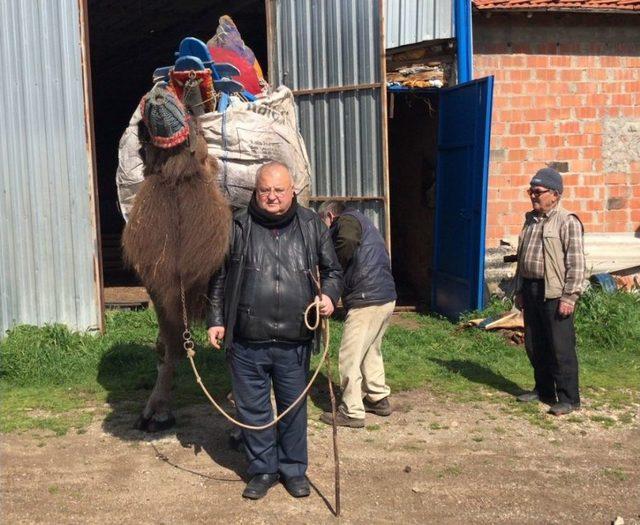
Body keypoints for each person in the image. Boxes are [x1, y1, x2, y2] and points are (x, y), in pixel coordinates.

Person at [206, 161, 343, 500]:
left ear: (292, 191)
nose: (271, 197)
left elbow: (334, 271)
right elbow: (218, 278)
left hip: (295, 340)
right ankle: (263, 470)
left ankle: (294, 469)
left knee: (292, 409)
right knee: (254, 411)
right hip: (247, 340)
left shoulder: (312, 225)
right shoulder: (237, 225)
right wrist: (215, 319)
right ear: (256, 191)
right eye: (264, 190)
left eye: (278, 190)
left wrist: (329, 296)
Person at [316, 201, 397, 428]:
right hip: (385, 295)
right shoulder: (366, 222)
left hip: (366, 298)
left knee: (349, 354)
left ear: (330, 216)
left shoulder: (347, 220)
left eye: (324, 225)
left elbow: (347, 242)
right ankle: (377, 397)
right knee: (371, 349)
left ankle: (351, 411)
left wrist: (334, 269)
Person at [514, 167, 586, 416]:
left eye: (538, 192)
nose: (533, 196)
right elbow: (522, 259)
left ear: (555, 194)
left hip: (555, 292)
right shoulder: (530, 220)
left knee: (560, 347)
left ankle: (569, 398)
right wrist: (520, 289)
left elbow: (576, 263)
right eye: (530, 191)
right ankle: (544, 390)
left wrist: (570, 296)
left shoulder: (567, 221)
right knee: (535, 344)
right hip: (532, 288)